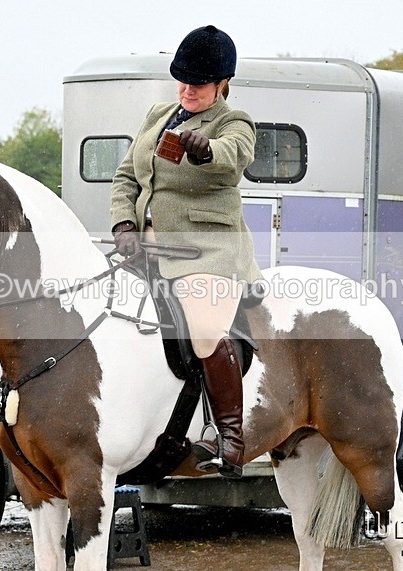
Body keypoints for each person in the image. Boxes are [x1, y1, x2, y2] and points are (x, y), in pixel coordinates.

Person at [109, 25, 262, 479]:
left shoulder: (234, 123)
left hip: (205, 251)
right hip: (147, 247)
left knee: (203, 332)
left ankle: (231, 436)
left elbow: (232, 156)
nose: (188, 90)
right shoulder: (158, 114)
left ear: (221, 85)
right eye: (183, 81)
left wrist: (203, 150)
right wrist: (123, 225)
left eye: (198, 84)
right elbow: (126, 178)